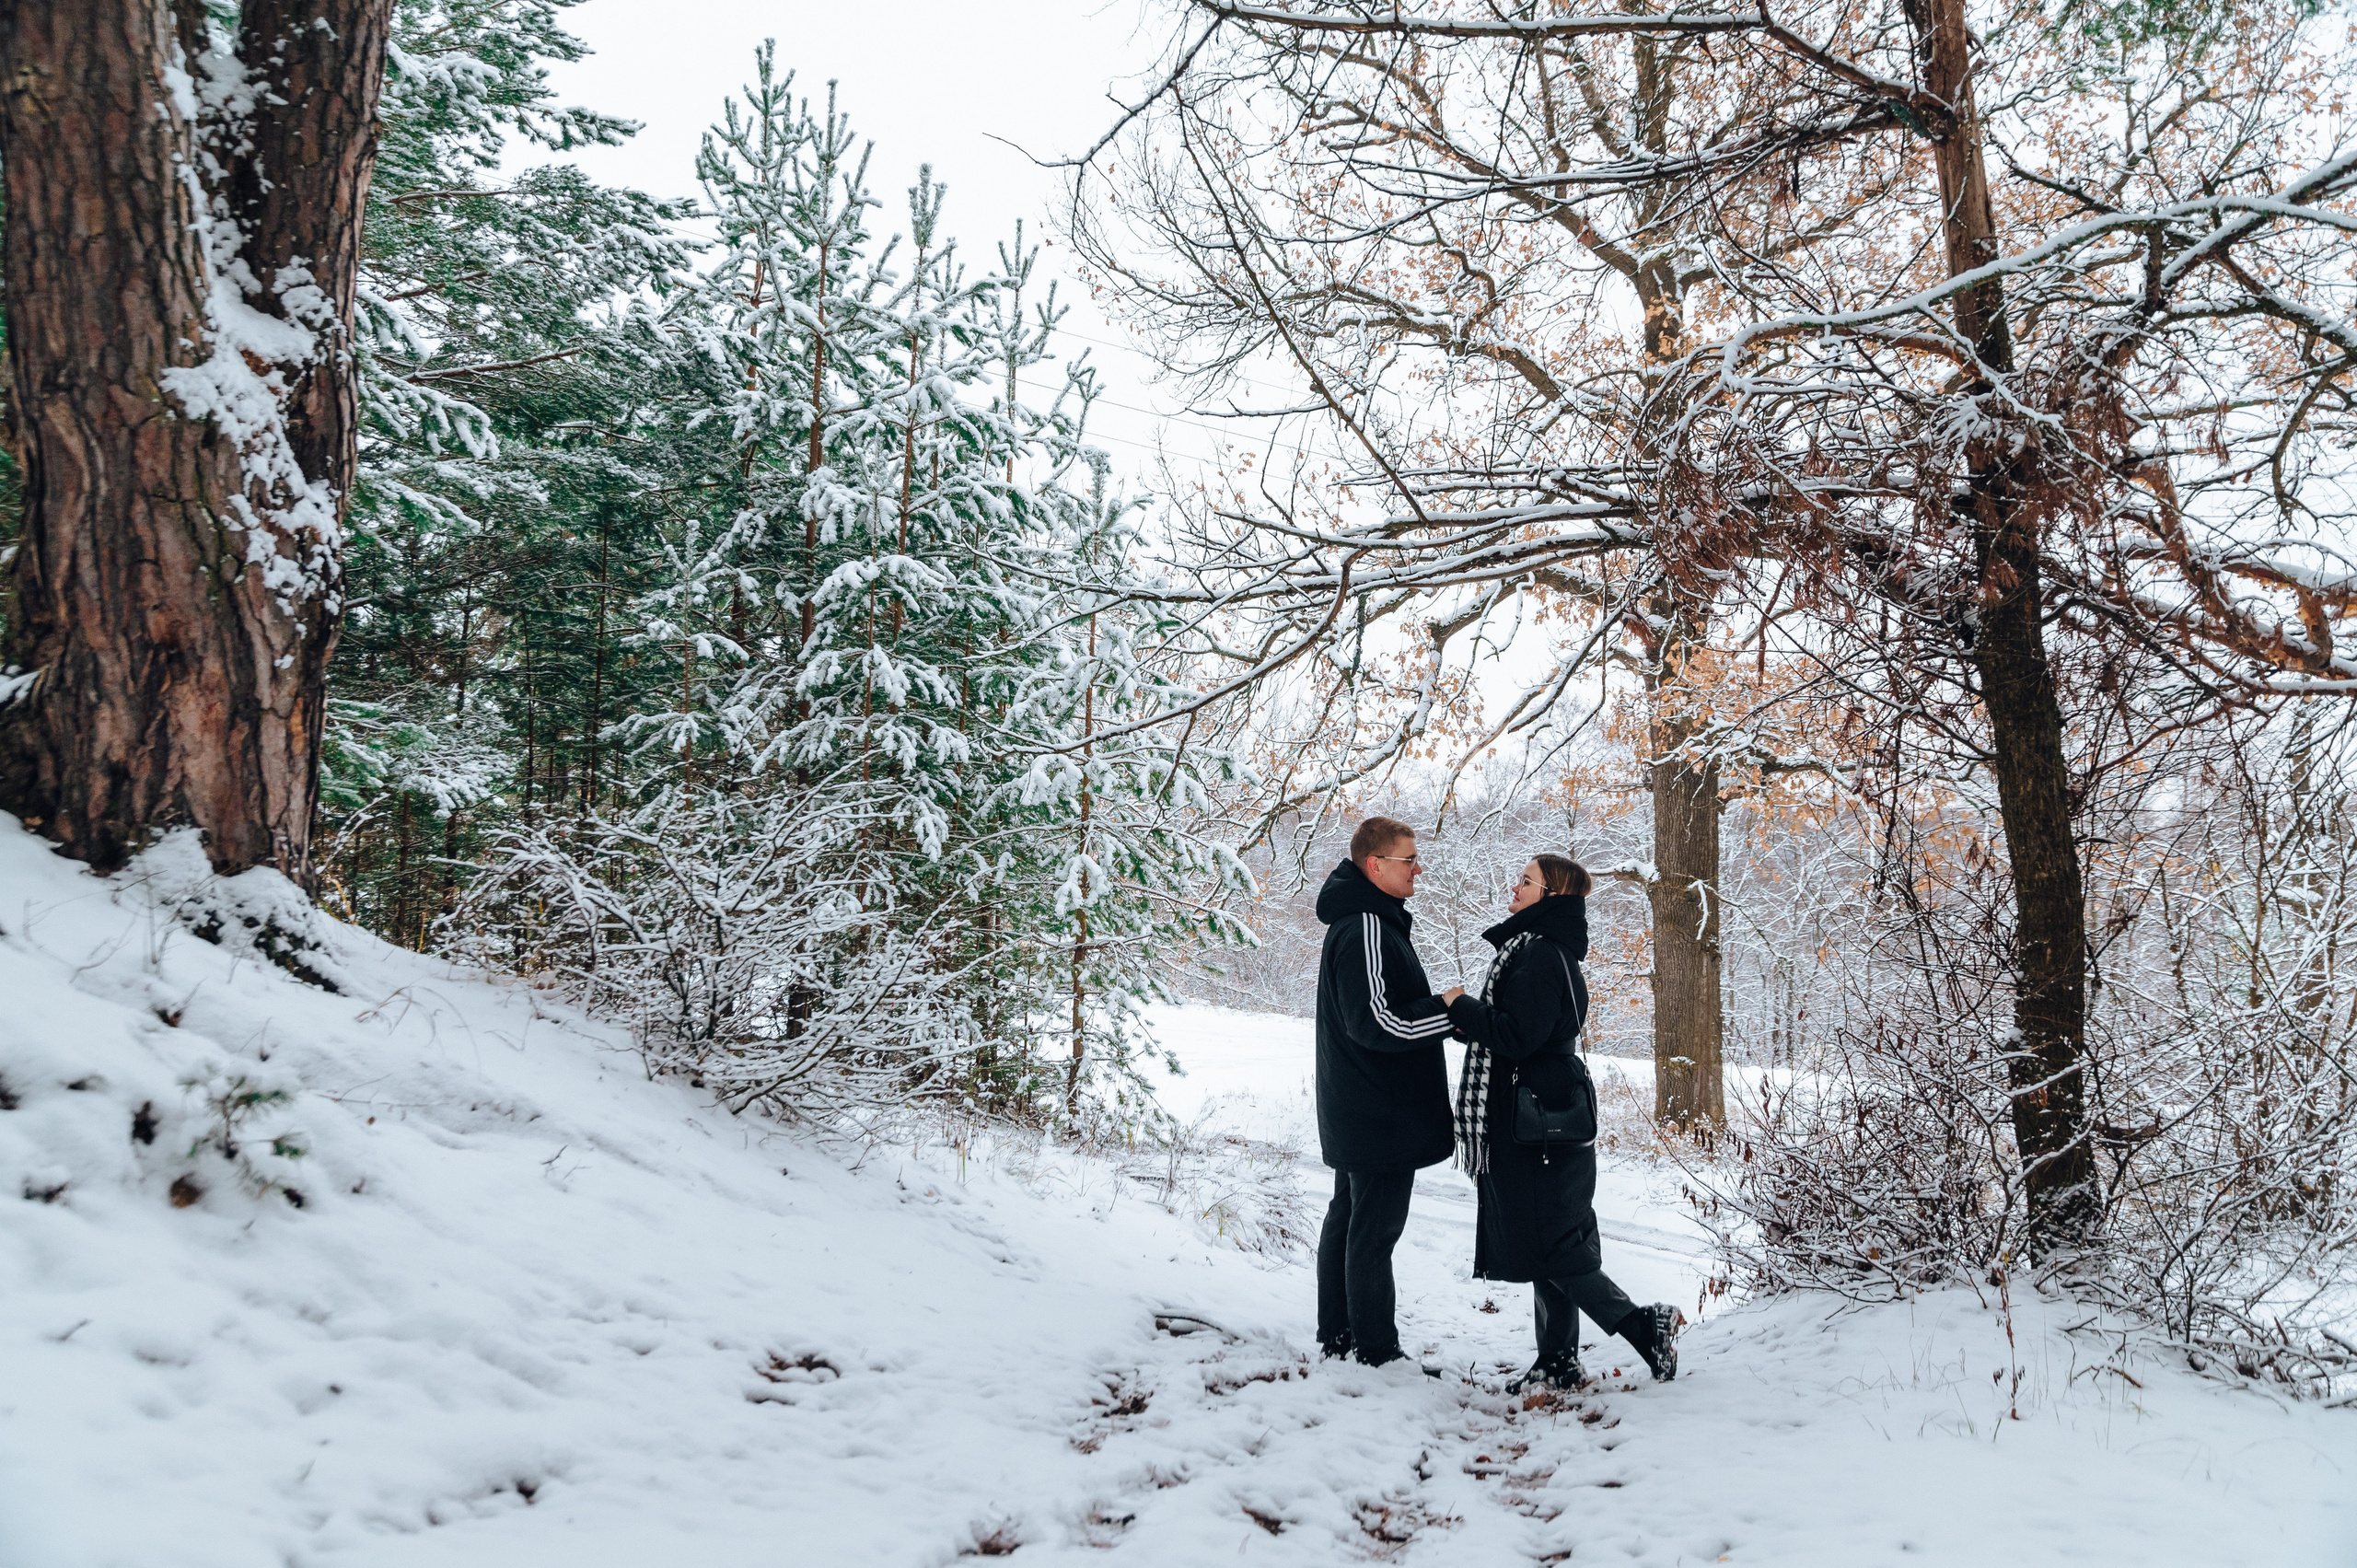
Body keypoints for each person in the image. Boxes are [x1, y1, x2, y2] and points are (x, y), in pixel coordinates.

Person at [1441, 854, 1681, 1392]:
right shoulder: (1541, 951)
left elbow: (1516, 1036)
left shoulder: (1540, 955)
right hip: (1543, 1120)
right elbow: (1526, 1031)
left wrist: (1461, 1007)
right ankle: (1558, 1360)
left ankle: (1645, 1326)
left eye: (1526, 881)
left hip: (1536, 1128)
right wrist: (1465, 1023)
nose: (1516, 885)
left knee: (1552, 1248)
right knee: (1546, 1244)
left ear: (1551, 897)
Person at [1312, 816, 1456, 1366]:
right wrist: (1446, 1013)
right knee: (1372, 1233)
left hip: (1362, 1106)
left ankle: (1340, 1338)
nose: (1419, 868)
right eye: (1409, 859)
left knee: (1349, 1219)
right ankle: (1375, 1352)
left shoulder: (1367, 920)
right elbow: (1376, 1022)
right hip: (1378, 1112)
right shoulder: (1368, 925)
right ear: (1375, 866)